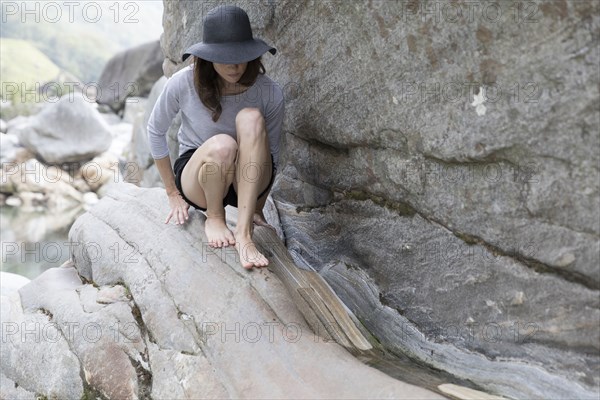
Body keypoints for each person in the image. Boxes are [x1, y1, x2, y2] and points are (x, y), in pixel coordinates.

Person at [147, 5, 284, 270]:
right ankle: (214, 217)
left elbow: (273, 154)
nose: (234, 66)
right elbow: (155, 130)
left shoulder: (270, 92)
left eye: (240, 56)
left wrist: (258, 207)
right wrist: (171, 193)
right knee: (224, 145)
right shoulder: (183, 83)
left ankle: (244, 236)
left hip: (247, 179)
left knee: (251, 117)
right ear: (208, 57)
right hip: (202, 177)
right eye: (224, 57)